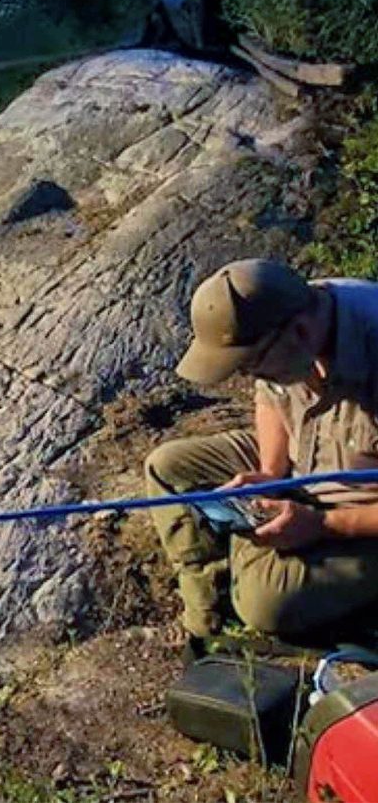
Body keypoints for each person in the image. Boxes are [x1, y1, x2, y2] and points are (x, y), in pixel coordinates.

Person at [145, 258, 378, 641]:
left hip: (362, 513)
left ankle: (254, 570)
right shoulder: (288, 307)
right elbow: (270, 398)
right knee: (168, 467)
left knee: (264, 602)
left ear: (301, 332)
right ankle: (209, 612)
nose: (246, 375)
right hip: (309, 458)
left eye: (251, 365)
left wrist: (321, 525)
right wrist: (270, 474)